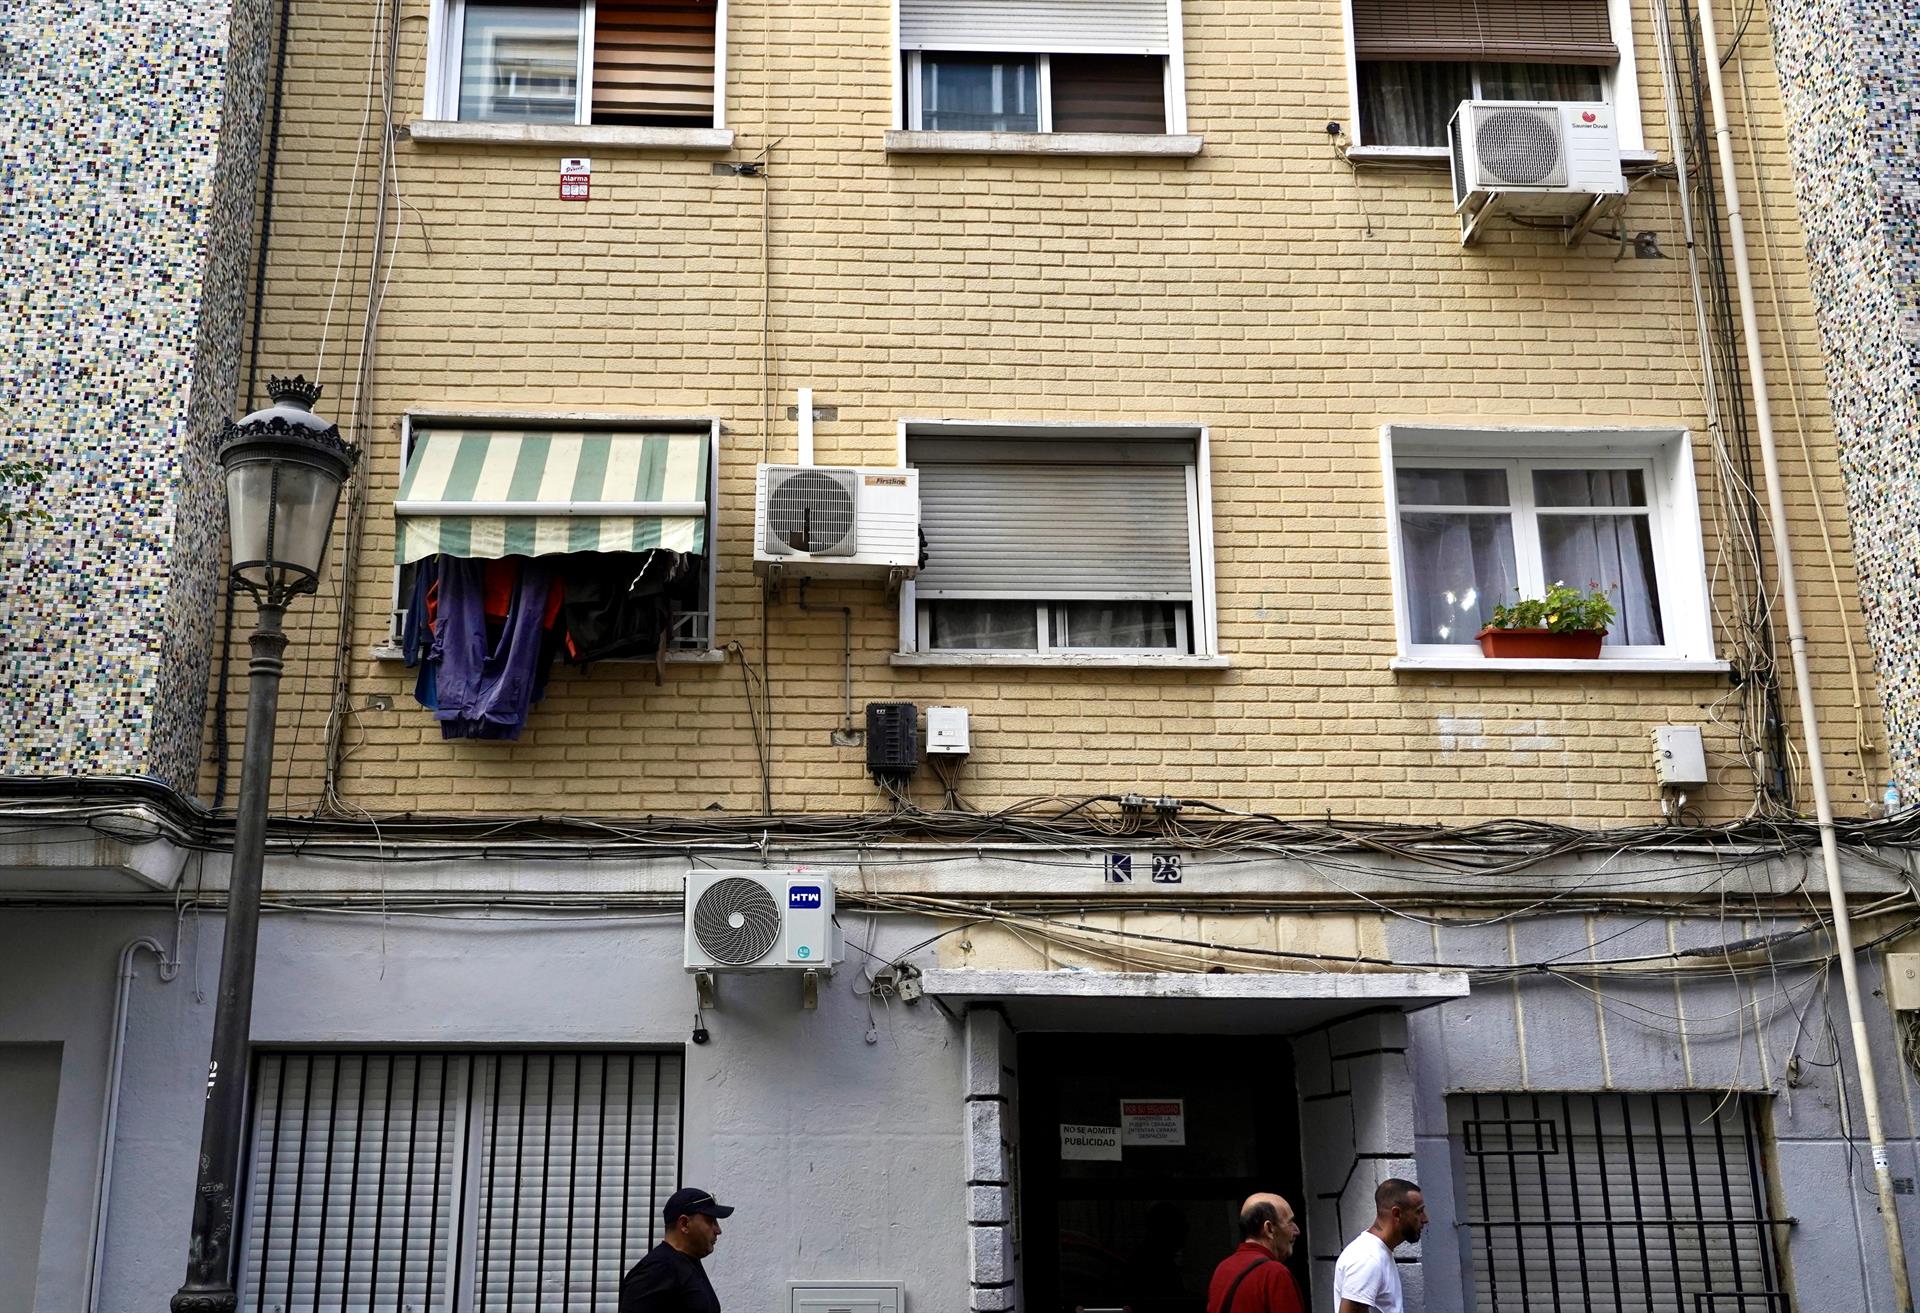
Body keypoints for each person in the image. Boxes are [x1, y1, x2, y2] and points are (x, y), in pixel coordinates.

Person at [618, 1186, 735, 1313]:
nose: (718, 1230)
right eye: (711, 1221)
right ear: (684, 1224)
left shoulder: (689, 1262)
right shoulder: (658, 1269)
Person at [1333, 1178, 1427, 1313]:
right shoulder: (1368, 1258)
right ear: (1397, 1213)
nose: (1425, 1219)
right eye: (1419, 1211)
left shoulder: (1378, 1252)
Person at [1207, 1192, 1306, 1313]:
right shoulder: (1275, 1274)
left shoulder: (1222, 1269)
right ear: (1269, 1229)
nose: (1297, 1231)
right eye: (1290, 1222)